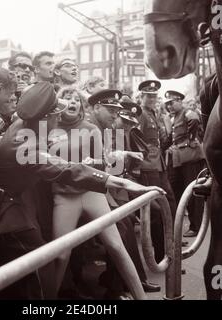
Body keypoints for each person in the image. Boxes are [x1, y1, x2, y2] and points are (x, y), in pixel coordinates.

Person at [0, 81, 165, 300]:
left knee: (35, 263)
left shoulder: (27, 123)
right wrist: (122, 183)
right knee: (40, 264)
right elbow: (67, 169)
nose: (59, 116)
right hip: (5, 209)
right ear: (46, 118)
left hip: (18, 201)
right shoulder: (25, 142)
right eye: (56, 114)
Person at [87, 91, 160, 298]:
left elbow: (108, 161)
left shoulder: (106, 129)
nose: (115, 115)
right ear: (95, 108)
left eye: (116, 111)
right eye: (110, 110)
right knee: (123, 224)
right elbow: (98, 164)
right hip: (86, 190)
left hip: (106, 186)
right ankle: (118, 287)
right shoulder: (89, 129)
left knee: (127, 222)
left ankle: (129, 281)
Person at [138, 80, 177, 262]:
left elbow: (162, 140)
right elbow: (136, 140)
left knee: (169, 205)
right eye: (149, 96)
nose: (153, 98)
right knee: (156, 212)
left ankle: (169, 254)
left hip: (159, 165)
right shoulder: (140, 114)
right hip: (148, 167)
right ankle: (161, 257)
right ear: (141, 97)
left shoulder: (154, 113)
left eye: (154, 95)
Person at [164, 90, 205, 237]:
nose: (169, 106)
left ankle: (196, 226)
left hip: (190, 157)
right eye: (167, 104)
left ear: (180, 101)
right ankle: (187, 225)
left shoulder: (187, 112)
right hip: (180, 158)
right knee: (180, 191)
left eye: (172, 103)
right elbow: (171, 137)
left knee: (193, 193)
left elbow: (194, 120)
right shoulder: (174, 117)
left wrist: (190, 137)